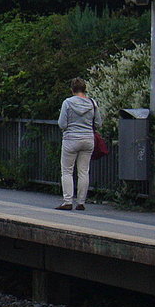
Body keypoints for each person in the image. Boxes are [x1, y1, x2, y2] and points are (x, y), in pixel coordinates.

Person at [57, 77, 98, 210]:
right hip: (88, 140)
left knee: (67, 171)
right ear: (85, 89)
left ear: (72, 89)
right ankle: (81, 202)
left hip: (71, 139)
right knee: (83, 171)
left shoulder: (67, 103)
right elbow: (98, 123)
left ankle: (68, 201)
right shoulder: (92, 103)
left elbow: (62, 124)